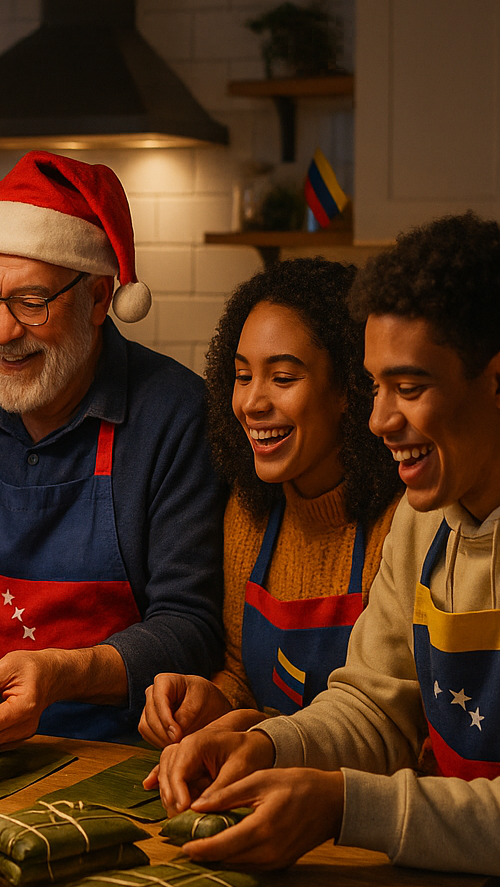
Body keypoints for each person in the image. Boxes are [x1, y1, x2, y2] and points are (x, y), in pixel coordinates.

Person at [154, 213, 500, 887]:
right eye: (375, 386)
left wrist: (344, 806)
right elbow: (374, 709)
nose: (379, 420)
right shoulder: (431, 516)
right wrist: (270, 748)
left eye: (409, 388)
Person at [0, 151, 224, 746]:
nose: (2, 331)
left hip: (117, 757)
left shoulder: (176, 416)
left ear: (99, 299)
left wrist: (62, 674)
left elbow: (191, 628)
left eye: (31, 302)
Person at [138, 259, 401, 747]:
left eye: (282, 378)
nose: (251, 403)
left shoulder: (401, 525)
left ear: (348, 388)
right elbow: (242, 675)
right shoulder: (249, 513)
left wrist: (262, 740)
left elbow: (399, 724)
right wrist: (208, 702)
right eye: (242, 376)